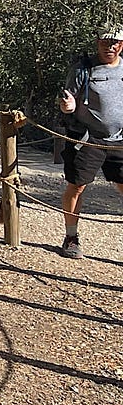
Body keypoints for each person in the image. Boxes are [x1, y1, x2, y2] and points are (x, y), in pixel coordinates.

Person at [58, 26, 123, 258]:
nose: (110, 46)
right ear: (97, 43)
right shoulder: (83, 69)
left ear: (121, 45)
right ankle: (71, 237)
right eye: (105, 42)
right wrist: (68, 107)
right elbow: (68, 101)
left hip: (120, 141)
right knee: (77, 186)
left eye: (115, 42)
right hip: (88, 139)